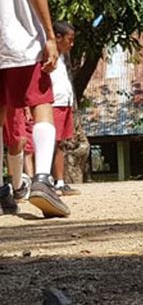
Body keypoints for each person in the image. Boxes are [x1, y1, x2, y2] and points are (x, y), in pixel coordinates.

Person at [0, 0, 69, 218]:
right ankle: (42, 180)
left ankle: (4, 187)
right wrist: (50, 36)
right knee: (42, 103)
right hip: (21, 40)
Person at [49, 21, 80, 196]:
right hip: (53, 104)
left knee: (60, 143)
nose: (72, 43)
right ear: (58, 37)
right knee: (48, 142)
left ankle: (59, 182)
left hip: (64, 102)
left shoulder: (61, 57)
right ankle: (43, 180)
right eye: (70, 39)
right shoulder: (47, 55)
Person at [3, 107, 33, 200]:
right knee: (18, 139)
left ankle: (16, 186)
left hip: (13, 102)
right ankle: (16, 186)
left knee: (18, 140)